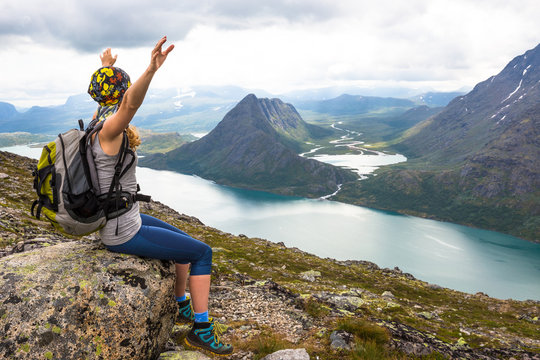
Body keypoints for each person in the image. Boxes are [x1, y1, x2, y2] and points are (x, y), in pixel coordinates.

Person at [87, 37, 233, 356]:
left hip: (124, 219)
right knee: (202, 252)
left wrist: (107, 69)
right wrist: (150, 70)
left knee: (185, 244)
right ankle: (201, 330)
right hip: (123, 232)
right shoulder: (110, 131)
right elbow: (128, 104)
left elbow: (111, 98)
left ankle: (181, 304)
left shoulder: (97, 121)